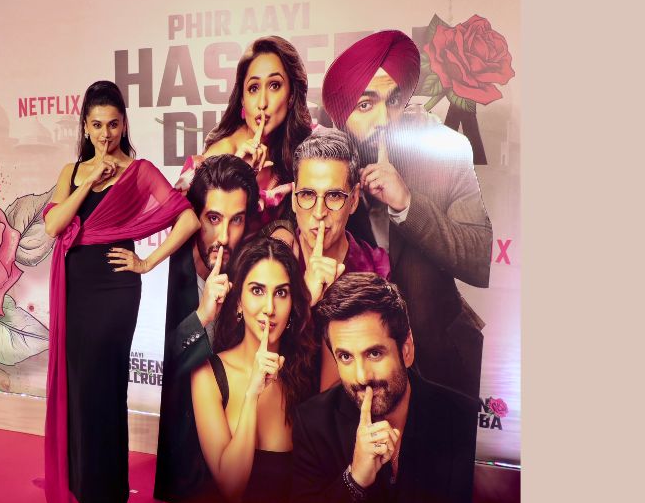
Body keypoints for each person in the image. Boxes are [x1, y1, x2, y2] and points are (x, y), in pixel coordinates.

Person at [41, 80, 199, 503]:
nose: (105, 134)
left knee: (105, 384)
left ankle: (106, 494)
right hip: (75, 289)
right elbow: (54, 226)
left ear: (124, 124)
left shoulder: (139, 171)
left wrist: (146, 262)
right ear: (85, 126)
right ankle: (87, 482)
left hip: (116, 289)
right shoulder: (71, 172)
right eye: (96, 125)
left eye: (112, 124)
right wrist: (88, 180)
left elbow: (186, 219)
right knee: (81, 386)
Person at [322, 29, 492, 399]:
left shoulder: (444, 150)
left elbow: (480, 259)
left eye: (394, 101)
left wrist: (407, 205)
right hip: (356, 375)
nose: (384, 120)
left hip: (443, 361)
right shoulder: (325, 165)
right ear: (341, 116)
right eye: (365, 105)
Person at [286, 273, 478, 503]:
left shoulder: (463, 419)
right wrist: (355, 479)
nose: (362, 376)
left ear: (406, 350)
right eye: (346, 357)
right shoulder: (313, 422)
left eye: (374, 353)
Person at [190, 238, 317, 503]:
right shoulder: (208, 374)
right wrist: (252, 394)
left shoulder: (307, 374)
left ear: (293, 303)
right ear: (237, 301)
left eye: (281, 293)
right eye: (257, 290)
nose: (269, 308)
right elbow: (232, 490)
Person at [154, 154, 260, 503]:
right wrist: (200, 317)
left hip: (229, 457)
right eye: (213, 219)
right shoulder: (166, 272)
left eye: (236, 220)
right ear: (194, 216)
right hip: (171, 464)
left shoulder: (247, 275)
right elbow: (153, 370)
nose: (224, 237)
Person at [291, 126, 391, 388]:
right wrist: (304, 300)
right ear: (293, 198)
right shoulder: (269, 264)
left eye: (334, 196)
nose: (319, 212)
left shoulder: (377, 270)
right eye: (307, 195)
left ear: (354, 200)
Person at [176, 36, 312, 227]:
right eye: (253, 88)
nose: (262, 103)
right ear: (242, 99)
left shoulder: (297, 146)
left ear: (291, 96)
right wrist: (238, 172)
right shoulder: (222, 153)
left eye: (274, 85)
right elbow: (191, 229)